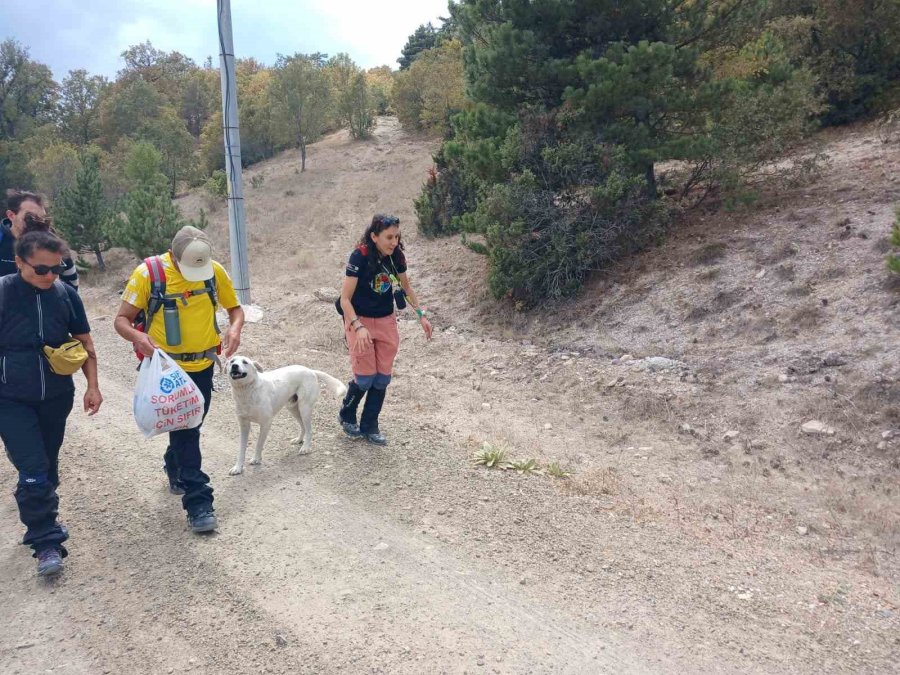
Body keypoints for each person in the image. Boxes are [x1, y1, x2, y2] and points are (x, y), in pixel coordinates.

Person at [113, 226, 244, 533]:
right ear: (172, 255)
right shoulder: (148, 274)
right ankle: (199, 502)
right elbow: (121, 320)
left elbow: (235, 309)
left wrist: (235, 328)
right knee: (187, 429)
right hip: (167, 369)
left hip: (203, 365)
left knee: (190, 423)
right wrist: (138, 337)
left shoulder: (214, 271)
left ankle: (175, 464)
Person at [0, 230, 102, 576]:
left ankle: (42, 508)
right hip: (10, 399)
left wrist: (93, 386)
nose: (49, 277)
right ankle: (46, 541)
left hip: (57, 397)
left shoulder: (66, 295)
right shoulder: (3, 293)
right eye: (41, 270)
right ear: (19, 262)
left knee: (47, 464)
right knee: (32, 470)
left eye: (56, 270)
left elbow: (85, 343)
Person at [338, 214, 432, 445]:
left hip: (386, 321)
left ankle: (370, 425)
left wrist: (421, 316)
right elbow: (344, 299)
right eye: (389, 237)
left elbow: (406, 287)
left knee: (382, 378)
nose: (394, 242)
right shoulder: (359, 256)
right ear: (374, 236)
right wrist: (357, 327)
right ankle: (347, 414)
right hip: (359, 321)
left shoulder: (396, 257)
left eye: (397, 237)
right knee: (364, 378)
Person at [2, 190, 79, 290]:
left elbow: (71, 281)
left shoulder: (52, 242)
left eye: (41, 219)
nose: (37, 224)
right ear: (11, 215)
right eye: (30, 218)